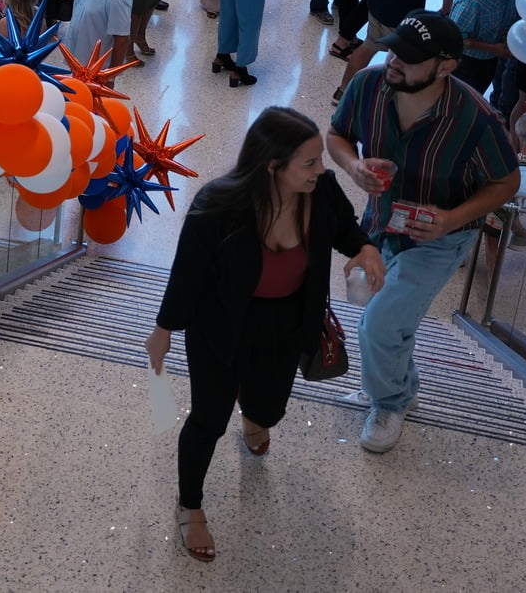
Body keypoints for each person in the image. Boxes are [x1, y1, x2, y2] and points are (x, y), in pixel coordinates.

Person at [148, 108, 387, 563]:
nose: (322, 169)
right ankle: (189, 504)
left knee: (269, 408)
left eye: (320, 159)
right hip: (220, 325)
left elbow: (344, 228)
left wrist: (365, 247)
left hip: (287, 320)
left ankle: (253, 409)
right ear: (273, 167)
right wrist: (163, 331)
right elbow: (187, 275)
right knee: (209, 419)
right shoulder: (218, 206)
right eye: (310, 162)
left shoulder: (321, 191)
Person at [327, 11, 520, 453]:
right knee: (388, 319)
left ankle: (390, 402)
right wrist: (354, 167)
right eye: (394, 49)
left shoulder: (474, 118)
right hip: (380, 224)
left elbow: (507, 181)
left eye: (410, 58)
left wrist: (451, 219)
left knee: (379, 324)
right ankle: (399, 385)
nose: (394, 61)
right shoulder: (368, 85)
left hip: (441, 239)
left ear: (446, 66)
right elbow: (337, 135)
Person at [447, 0, 526, 97]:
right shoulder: (472, 0)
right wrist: (493, 48)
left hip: (490, 62)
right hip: (465, 66)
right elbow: (455, 39)